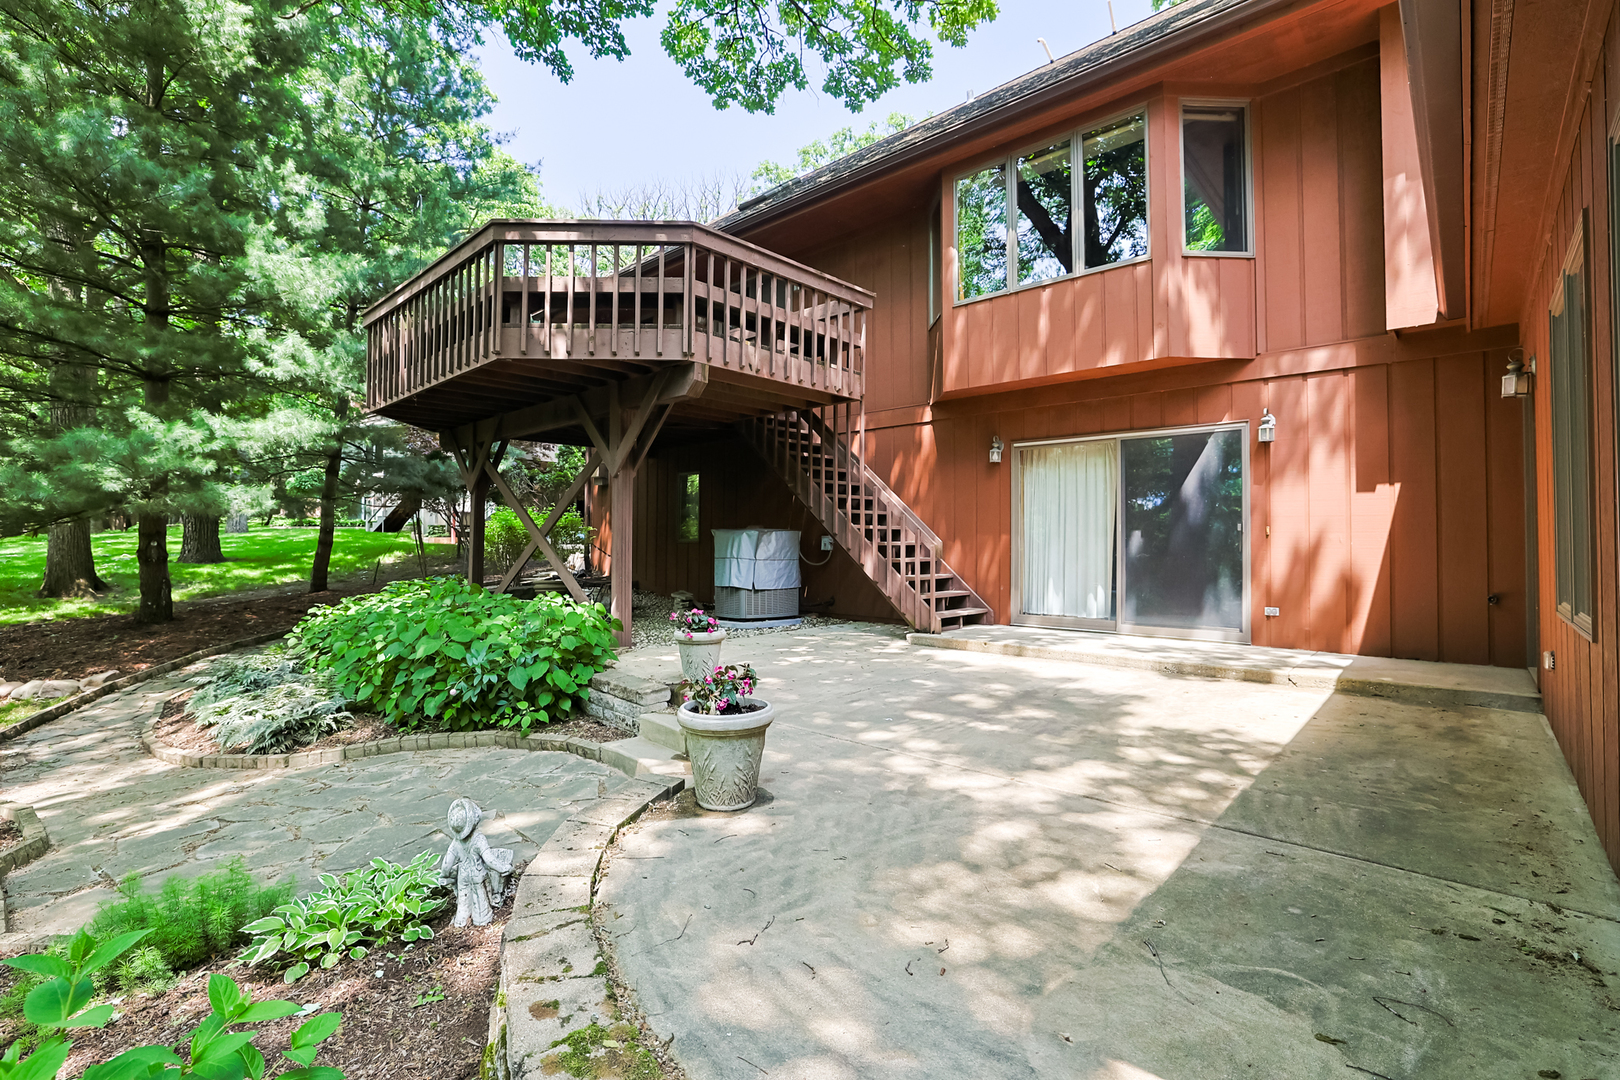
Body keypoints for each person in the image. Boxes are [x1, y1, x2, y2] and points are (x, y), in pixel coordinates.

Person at [437, 797, 514, 927]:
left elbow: (446, 863)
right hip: (477, 873)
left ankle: (461, 921)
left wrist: (444, 875)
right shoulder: (478, 839)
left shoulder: (456, 842)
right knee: (480, 898)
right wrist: (504, 868)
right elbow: (489, 859)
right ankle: (481, 920)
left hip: (463, 875)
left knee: (463, 900)